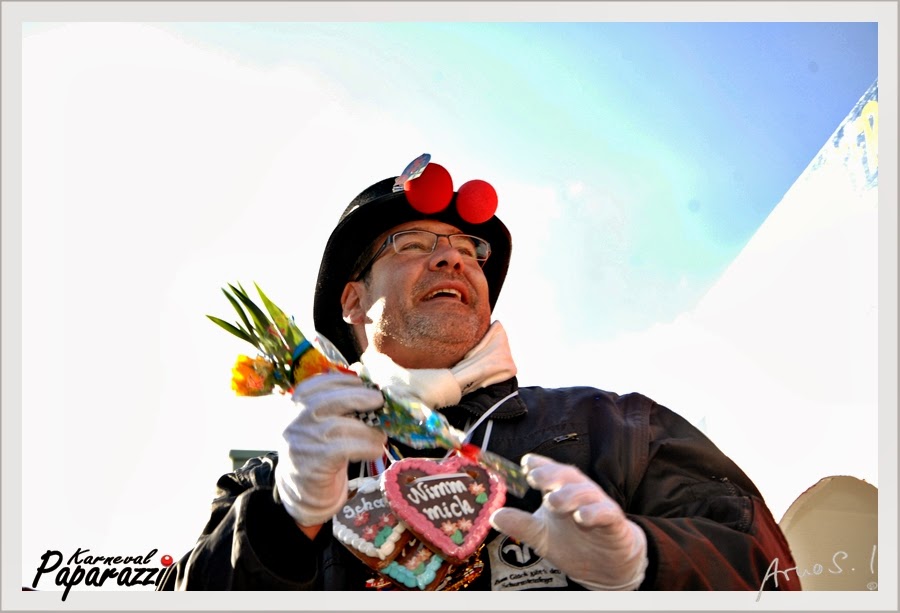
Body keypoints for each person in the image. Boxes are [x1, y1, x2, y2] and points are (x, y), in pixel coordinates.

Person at [158, 155, 799, 592]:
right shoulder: (270, 482)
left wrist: (645, 561)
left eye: (469, 250)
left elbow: (768, 570)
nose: (452, 259)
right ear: (353, 301)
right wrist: (282, 521)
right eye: (414, 244)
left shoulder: (616, 426)